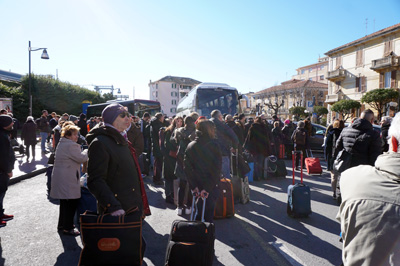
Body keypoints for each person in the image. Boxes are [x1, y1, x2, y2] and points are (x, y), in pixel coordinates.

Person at [337, 112, 400, 266]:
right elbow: (374, 156)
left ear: (393, 142)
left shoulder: (346, 129)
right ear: (372, 120)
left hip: (352, 175)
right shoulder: (372, 134)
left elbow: (337, 147)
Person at [86, 103, 150, 218]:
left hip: (131, 207)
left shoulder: (121, 138)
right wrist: (113, 206)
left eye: (128, 114)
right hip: (118, 212)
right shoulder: (100, 143)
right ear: (111, 119)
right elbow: (95, 180)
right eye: (122, 115)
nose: (127, 118)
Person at [50, 124, 88, 236]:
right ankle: (68, 227)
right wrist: (86, 151)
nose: (77, 137)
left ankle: (62, 225)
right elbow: (82, 158)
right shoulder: (71, 145)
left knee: (64, 202)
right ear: (68, 135)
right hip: (68, 177)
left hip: (62, 177)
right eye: (75, 134)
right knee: (71, 202)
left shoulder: (63, 143)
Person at [184, 120, 222, 223]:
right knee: (208, 215)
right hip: (211, 185)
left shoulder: (191, 145)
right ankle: (206, 236)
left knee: (199, 211)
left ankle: (196, 235)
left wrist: (193, 186)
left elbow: (187, 168)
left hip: (197, 184)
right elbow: (216, 169)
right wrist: (207, 188)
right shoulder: (214, 146)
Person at [172, 116, 196, 215]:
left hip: (181, 160)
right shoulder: (196, 133)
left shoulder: (179, 131)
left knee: (181, 185)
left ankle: (180, 207)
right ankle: (189, 207)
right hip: (192, 162)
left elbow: (174, 142)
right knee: (191, 186)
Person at [210, 110, 239, 180]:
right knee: (226, 176)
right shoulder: (223, 126)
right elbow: (234, 137)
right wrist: (234, 147)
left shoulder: (207, 125)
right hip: (223, 152)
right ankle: (226, 189)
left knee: (213, 176)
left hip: (210, 153)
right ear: (220, 117)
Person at [162, 116, 183, 204]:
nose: (179, 123)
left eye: (181, 121)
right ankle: (168, 195)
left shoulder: (183, 131)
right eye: (177, 121)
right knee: (169, 177)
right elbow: (166, 144)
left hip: (178, 157)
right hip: (169, 157)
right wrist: (176, 147)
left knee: (176, 177)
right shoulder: (169, 131)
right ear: (174, 122)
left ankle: (175, 195)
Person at [244, 116, 272, 181]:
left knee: (255, 162)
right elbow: (267, 138)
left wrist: (246, 146)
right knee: (261, 162)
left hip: (254, 148)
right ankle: (261, 175)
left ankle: (256, 176)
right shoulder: (264, 127)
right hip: (262, 148)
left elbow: (249, 138)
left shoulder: (253, 127)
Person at [0, 115, 15, 228]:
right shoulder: (2, 136)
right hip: (2, 171)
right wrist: (8, 170)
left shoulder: (3, 134)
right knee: (0, 193)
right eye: (11, 123)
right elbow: (3, 156)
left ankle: (0, 214)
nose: (12, 125)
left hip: (3, 170)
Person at [325, 120, 344, 199]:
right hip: (343, 157)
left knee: (333, 176)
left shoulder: (330, 133)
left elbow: (327, 147)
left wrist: (326, 157)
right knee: (342, 175)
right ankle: (341, 192)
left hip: (332, 156)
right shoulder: (345, 133)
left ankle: (334, 193)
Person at [150, 113, 165, 186]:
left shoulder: (153, 124)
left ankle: (156, 178)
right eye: (163, 117)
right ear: (160, 118)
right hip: (158, 147)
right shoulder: (158, 125)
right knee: (159, 164)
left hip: (155, 146)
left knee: (156, 163)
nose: (163, 119)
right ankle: (157, 179)